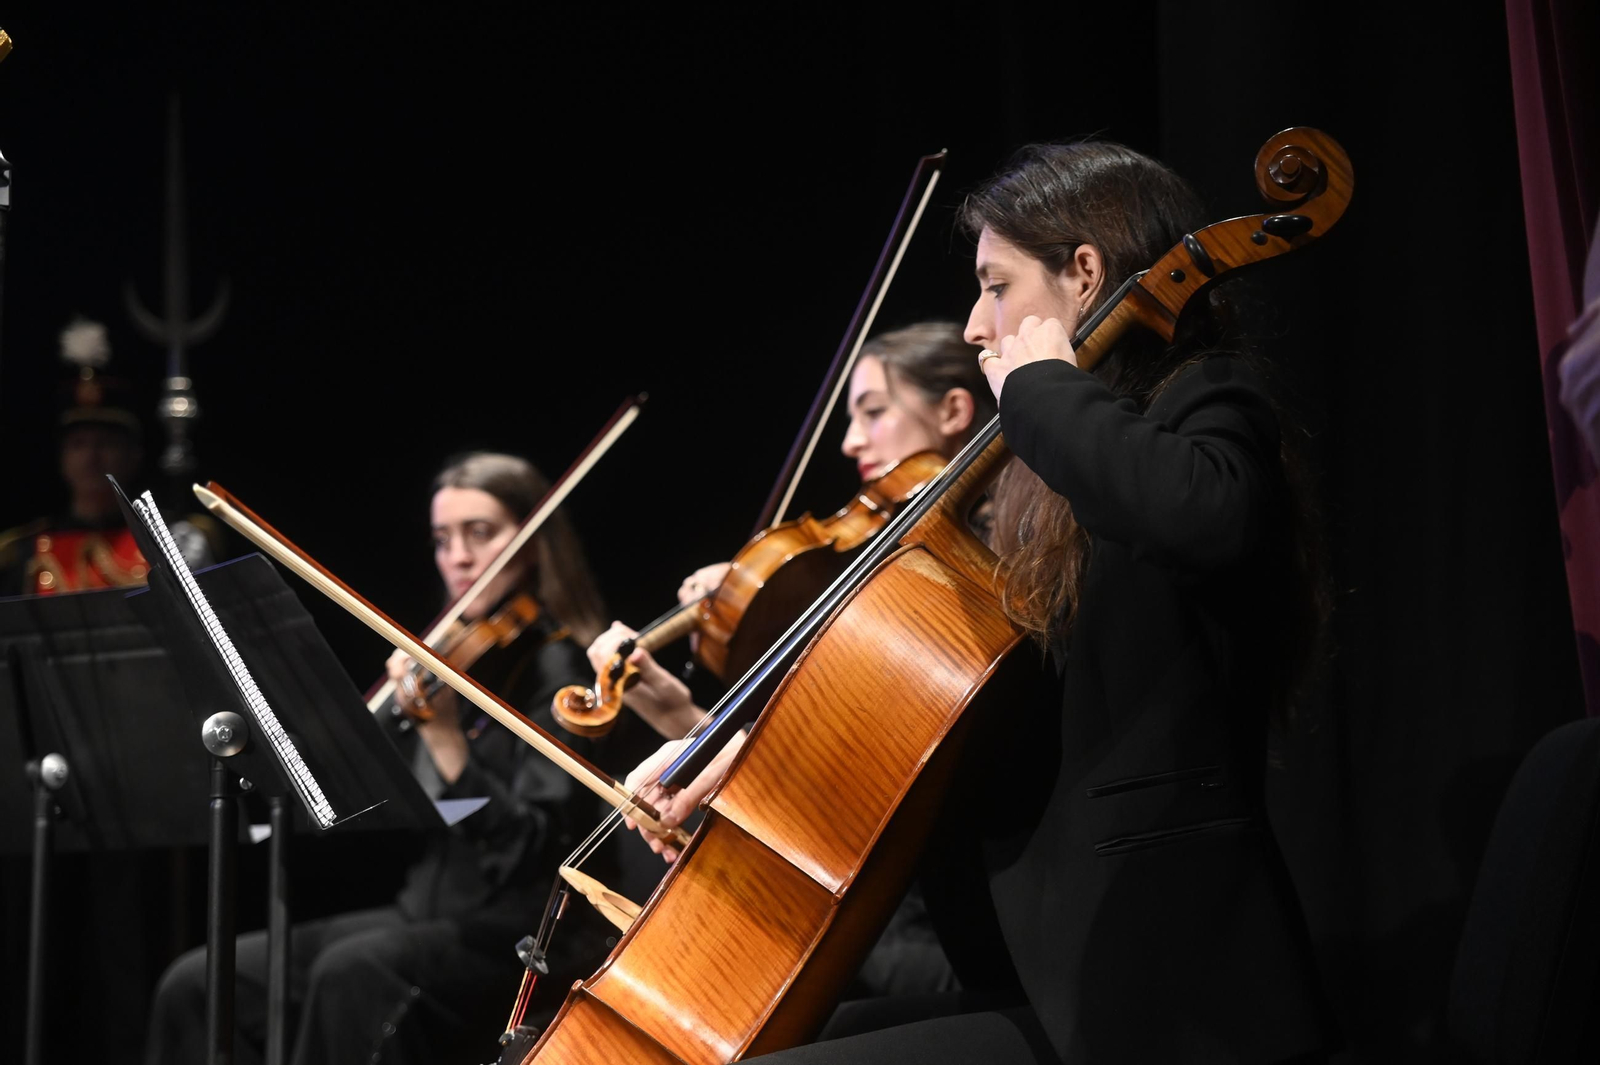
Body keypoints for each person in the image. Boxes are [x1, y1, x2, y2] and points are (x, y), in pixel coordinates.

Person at [645, 142, 1336, 1064]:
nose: (974, 325)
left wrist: (1045, 389)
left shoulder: (1204, 400)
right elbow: (970, 709)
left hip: (1160, 985)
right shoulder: (1050, 480)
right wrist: (759, 760)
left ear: (1084, 272)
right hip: (1047, 958)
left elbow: (1199, 513)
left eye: (995, 285)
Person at [144, 451, 647, 1065]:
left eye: (480, 534)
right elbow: (380, 799)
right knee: (199, 982)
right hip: (426, 911)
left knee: (351, 974)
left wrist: (446, 742)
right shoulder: (447, 664)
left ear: (536, 544)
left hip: (527, 932)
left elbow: (525, 850)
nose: (458, 557)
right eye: (443, 540)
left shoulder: (562, 671)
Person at [594, 322, 997, 1000]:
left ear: (955, 411)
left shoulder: (988, 565)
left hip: (945, 923)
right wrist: (683, 716)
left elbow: (871, 743)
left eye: (873, 411)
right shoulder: (885, 561)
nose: (849, 441)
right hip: (881, 899)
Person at [0, 318, 211, 594]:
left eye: (106, 443)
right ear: (62, 457)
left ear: (133, 455)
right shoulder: (23, 550)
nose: (91, 456)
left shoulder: (170, 540)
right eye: (78, 444)